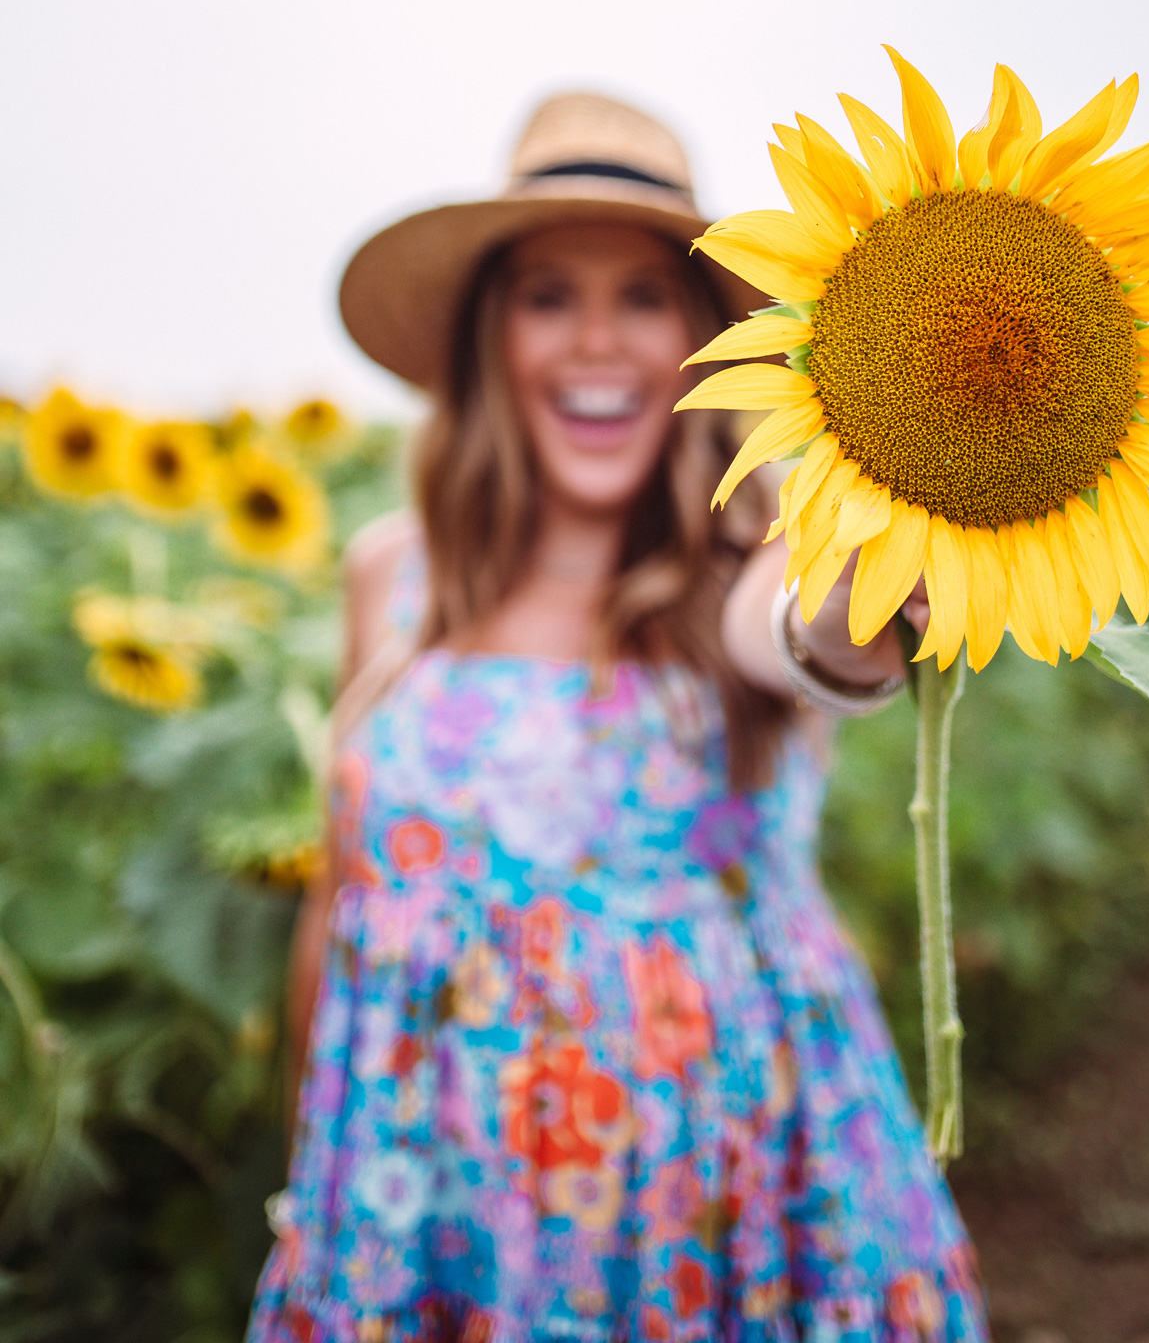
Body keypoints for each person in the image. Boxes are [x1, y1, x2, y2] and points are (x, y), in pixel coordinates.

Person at [248, 92, 988, 1343]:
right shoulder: (396, 572)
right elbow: (343, 895)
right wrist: (309, 1178)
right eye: (549, 295)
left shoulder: (749, 558)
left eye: (643, 296)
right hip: (423, 1186)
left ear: (708, 339)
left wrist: (885, 559)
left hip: (712, 1190)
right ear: (492, 336)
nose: (598, 341)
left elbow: (818, 633)